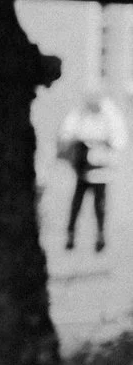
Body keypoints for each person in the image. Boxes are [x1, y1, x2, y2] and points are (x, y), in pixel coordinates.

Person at [59, 90, 123, 253]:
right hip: (83, 164)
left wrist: (104, 145)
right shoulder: (80, 113)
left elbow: (119, 137)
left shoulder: (109, 114)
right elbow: (67, 131)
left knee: (99, 203)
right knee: (77, 202)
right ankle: (71, 233)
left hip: (100, 166)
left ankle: (100, 235)